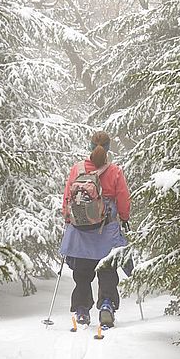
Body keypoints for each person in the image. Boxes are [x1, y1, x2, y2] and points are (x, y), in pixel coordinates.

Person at [60, 131, 130, 327]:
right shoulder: (115, 171)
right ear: (108, 148)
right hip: (106, 228)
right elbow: (123, 198)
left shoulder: (77, 169)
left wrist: (67, 217)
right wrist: (124, 217)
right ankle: (107, 304)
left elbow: (67, 197)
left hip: (80, 227)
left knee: (82, 272)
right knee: (107, 269)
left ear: (90, 147)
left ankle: (82, 310)